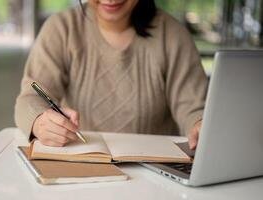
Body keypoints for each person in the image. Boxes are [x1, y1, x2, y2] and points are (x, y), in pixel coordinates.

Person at [15, 0, 208, 150]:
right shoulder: (61, 28)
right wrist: (40, 121)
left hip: (155, 173)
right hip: (82, 166)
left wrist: (199, 125)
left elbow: (193, 108)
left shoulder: (173, 35)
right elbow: (30, 98)